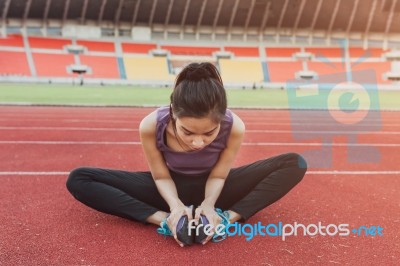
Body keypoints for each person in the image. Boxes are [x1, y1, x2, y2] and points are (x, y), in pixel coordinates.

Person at [66, 62, 307, 247]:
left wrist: (209, 206)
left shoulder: (235, 126)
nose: (198, 142)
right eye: (188, 132)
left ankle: (222, 220)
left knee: (295, 163)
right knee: (79, 179)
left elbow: (219, 176)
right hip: (166, 189)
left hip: (217, 189)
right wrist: (175, 208)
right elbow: (160, 177)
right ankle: (166, 221)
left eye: (210, 132)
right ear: (173, 113)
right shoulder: (151, 125)